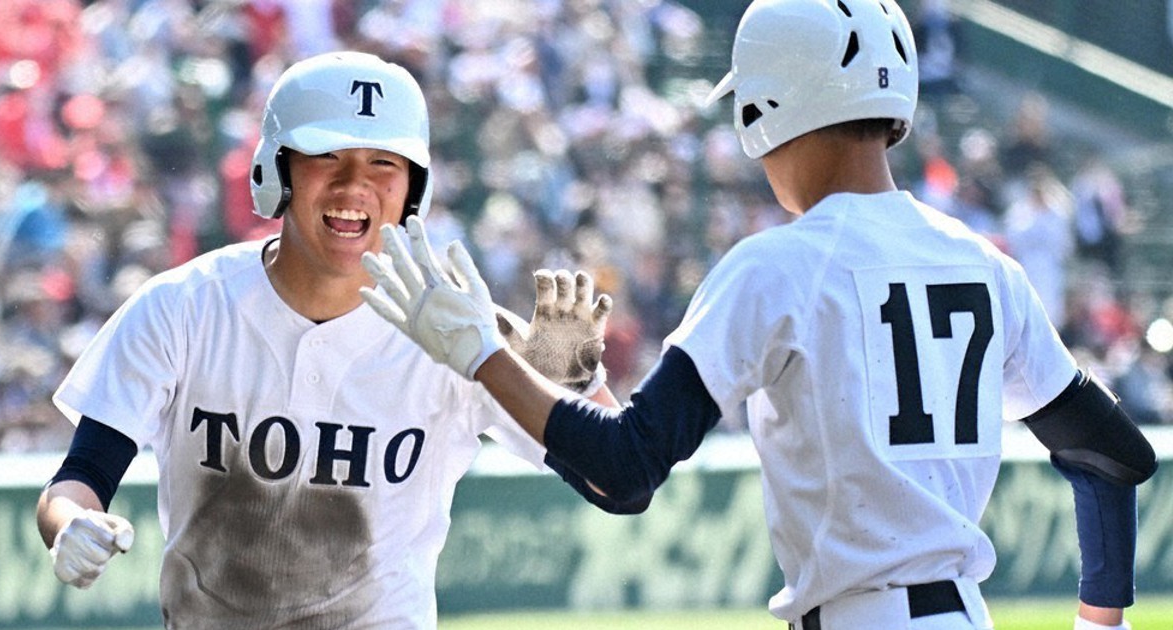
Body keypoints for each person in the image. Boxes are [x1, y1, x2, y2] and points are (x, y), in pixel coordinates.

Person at [358, 2, 1158, 630]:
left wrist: (484, 358)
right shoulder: (988, 265)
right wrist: (1102, 622)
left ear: (768, 106)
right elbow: (1113, 454)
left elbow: (628, 471)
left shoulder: (777, 266)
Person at [35, 51, 621, 630]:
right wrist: (70, 525)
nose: (353, 185)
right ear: (277, 168)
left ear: (415, 186)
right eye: (327, 157)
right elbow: (82, 474)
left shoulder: (463, 329)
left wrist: (577, 382)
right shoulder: (183, 307)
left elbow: (616, 481)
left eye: (382, 164)